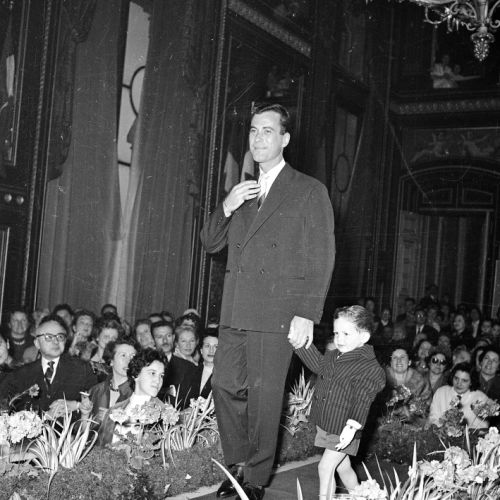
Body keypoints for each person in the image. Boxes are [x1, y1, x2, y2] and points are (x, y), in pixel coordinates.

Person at [201, 103, 335, 500]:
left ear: (285, 139)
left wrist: (307, 313)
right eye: (253, 130)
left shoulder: (308, 189)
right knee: (224, 385)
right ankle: (237, 464)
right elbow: (210, 243)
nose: (258, 138)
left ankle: (255, 478)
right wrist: (227, 205)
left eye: (267, 131)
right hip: (236, 308)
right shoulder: (242, 191)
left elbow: (321, 255)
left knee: (264, 397)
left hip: (277, 311)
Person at [293, 306, 385, 497]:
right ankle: (361, 496)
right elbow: (319, 365)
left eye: (346, 334)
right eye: (336, 333)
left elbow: (362, 399)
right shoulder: (336, 355)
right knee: (343, 468)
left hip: (344, 428)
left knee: (325, 468)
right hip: (328, 424)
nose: (339, 339)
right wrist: (299, 343)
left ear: (363, 337)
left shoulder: (369, 367)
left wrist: (351, 427)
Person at [0, 314, 96, 415]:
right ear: (37, 343)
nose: (56, 341)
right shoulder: (21, 374)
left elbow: (96, 403)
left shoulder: (82, 369)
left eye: (60, 337)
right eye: (49, 337)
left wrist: (76, 405)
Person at [98, 348, 167, 446]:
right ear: (136, 374)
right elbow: (100, 446)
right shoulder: (114, 409)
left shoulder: (164, 414)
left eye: (161, 375)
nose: (158, 380)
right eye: (152, 373)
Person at [88, 337, 137, 426]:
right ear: (111, 361)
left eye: (132, 356)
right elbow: (84, 430)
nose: (129, 361)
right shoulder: (96, 390)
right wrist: (84, 414)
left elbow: (142, 431)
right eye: (123, 355)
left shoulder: (137, 394)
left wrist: (112, 419)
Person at [428, 362, 491, 430]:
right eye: (456, 378)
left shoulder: (480, 397)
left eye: (464, 380)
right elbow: (433, 418)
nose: (459, 383)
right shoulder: (441, 392)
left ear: (471, 382)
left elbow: (483, 426)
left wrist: (463, 430)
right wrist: (445, 428)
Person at [383, 346, 432, 419]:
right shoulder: (380, 376)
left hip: (410, 422)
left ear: (409, 362)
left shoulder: (421, 381)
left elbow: (426, 407)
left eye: (403, 357)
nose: (399, 361)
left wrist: (408, 410)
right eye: (395, 357)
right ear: (390, 362)